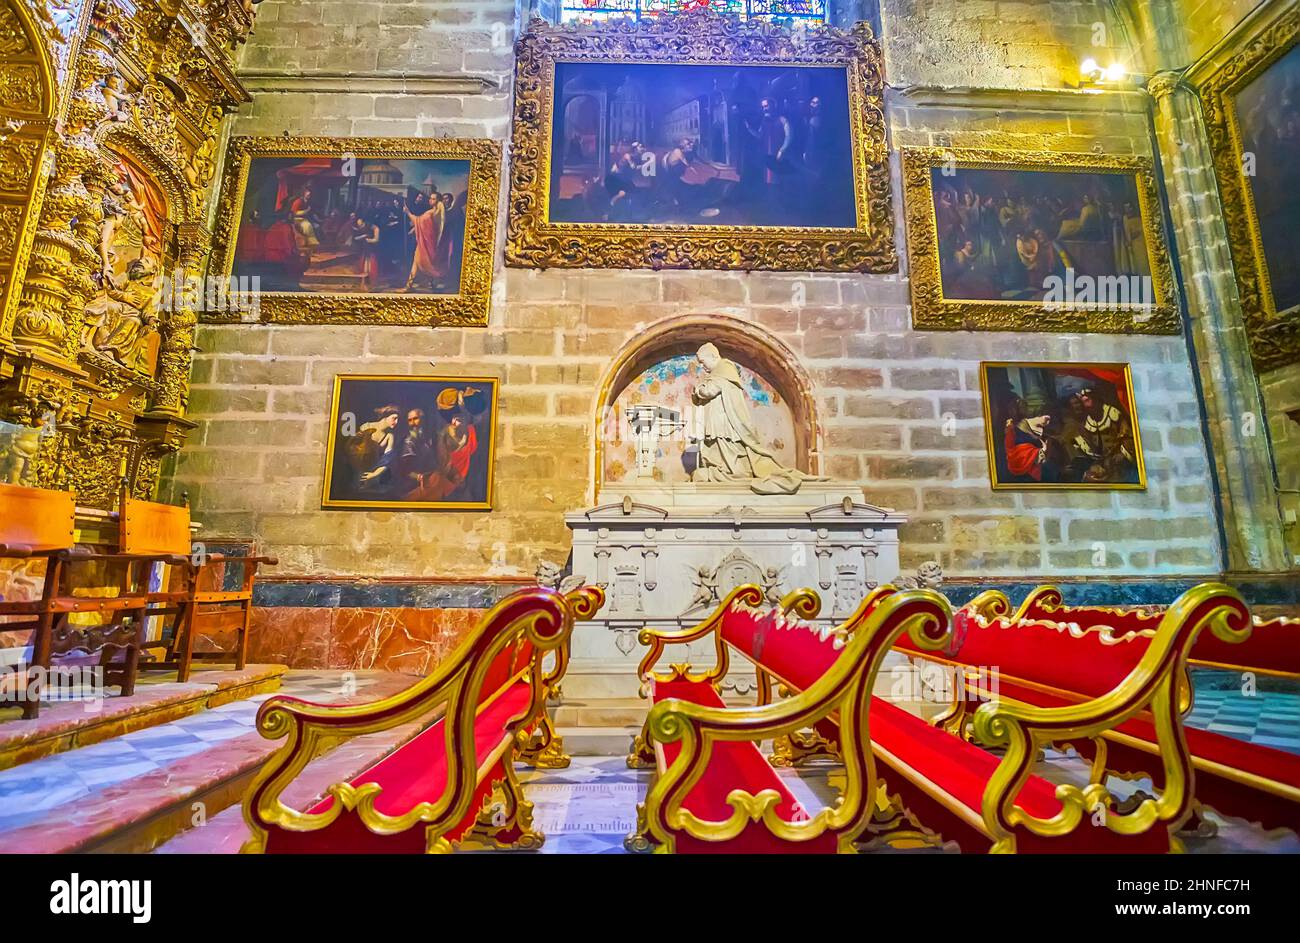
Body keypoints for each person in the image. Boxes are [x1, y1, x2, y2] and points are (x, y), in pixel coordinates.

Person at [690, 342, 825, 496]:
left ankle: (731, 473)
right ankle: (720, 471)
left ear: (713, 356)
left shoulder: (724, 368)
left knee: (728, 447)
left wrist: (698, 388)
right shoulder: (716, 374)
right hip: (717, 421)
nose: (702, 366)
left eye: (702, 361)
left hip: (727, 423)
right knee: (716, 448)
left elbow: (709, 391)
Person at [403, 190, 445, 291]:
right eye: (430, 198)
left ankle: (409, 286)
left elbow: (417, 221)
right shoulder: (437, 212)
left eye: (433, 198)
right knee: (419, 262)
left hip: (426, 242)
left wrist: (408, 212)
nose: (430, 200)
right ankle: (412, 285)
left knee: (421, 262)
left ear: (438, 201)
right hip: (428, 242)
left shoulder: (431, 213)